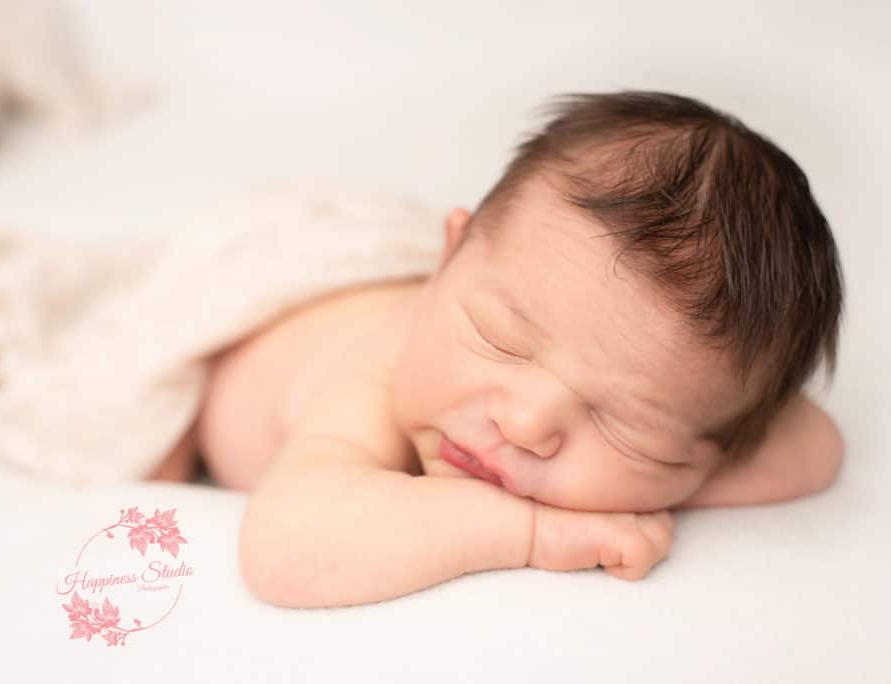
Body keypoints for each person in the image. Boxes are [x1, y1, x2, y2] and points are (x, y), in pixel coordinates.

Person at [150, 90, 846, 608]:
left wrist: (665, 471)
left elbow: (816, 447)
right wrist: (535, 533)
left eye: (626, 424)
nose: (524, 423)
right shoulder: (377, 375)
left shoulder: (677, 426)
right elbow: (286, 550)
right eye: (501, 340)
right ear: (446, 264)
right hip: (249, 318)